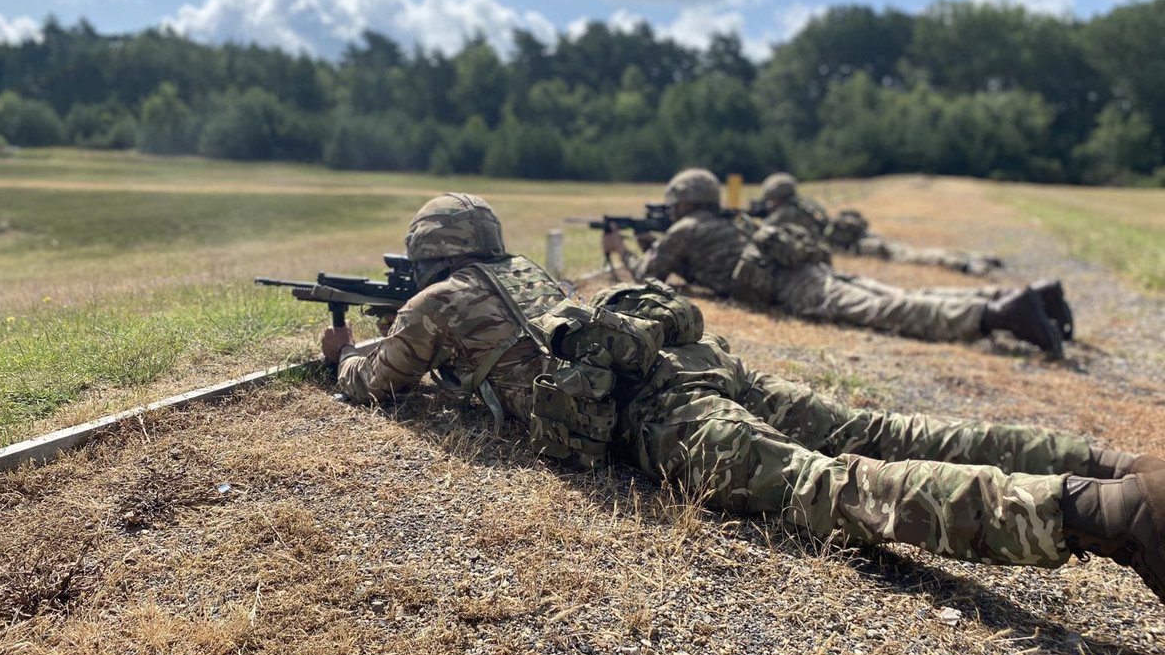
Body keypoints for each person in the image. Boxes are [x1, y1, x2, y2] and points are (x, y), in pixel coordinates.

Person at [320, 191, 1165, 609]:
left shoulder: (433, 304)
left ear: (427, 258)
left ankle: (1105, 513)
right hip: (700, 360)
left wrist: (341, 353)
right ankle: (1112, 466)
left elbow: (374, 385)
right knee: (882, 427)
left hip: (662, 415)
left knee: (828, 488)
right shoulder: (529, 273)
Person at [616, 169, 1072, 356]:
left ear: (681, 203)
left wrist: (625, 249)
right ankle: (1012, 298)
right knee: (897, 294)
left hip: (793, 285)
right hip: (804, 267)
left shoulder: (682, 231)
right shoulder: (726, 220)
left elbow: (644, 280)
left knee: (887, 309)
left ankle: (995, 313)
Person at [756, 172, 1006, 279]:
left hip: (856, 245)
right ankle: (973, 257)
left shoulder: (786, 212)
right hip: (859, 236)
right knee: (906, 251)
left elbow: (762, 232)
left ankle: (965, 264)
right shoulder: (803, 204)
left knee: (910, 256)